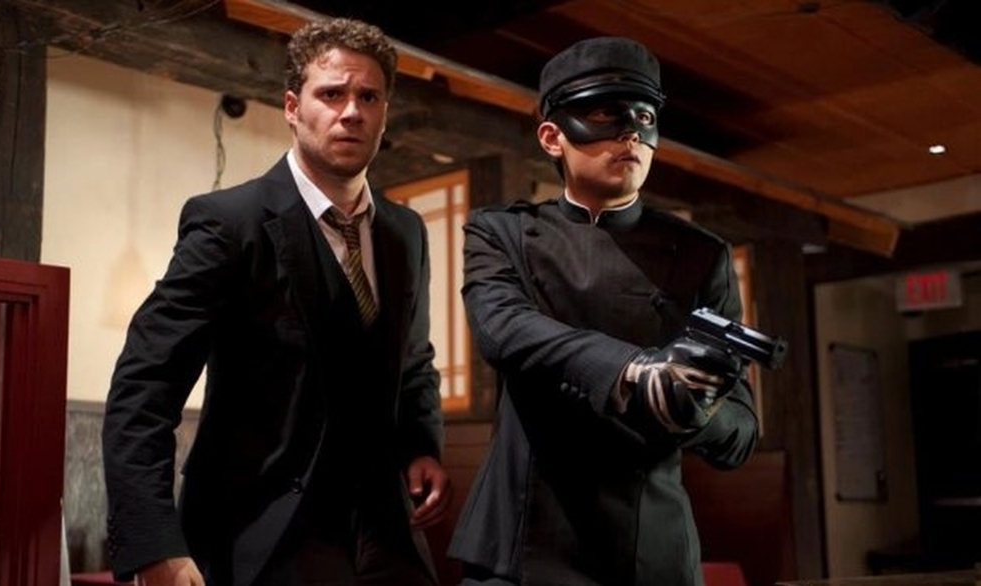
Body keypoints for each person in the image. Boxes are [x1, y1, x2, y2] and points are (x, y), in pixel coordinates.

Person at [102, 17, 452, 586]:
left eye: (368, 97)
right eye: (331, 94)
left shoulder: (404, 231)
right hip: (262, 531)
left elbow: (412, 360)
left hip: (386, 532)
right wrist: (153, 544)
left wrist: (423, 447)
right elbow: (146, 383)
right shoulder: (229, 222)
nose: (351, 112)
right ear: (292, 107)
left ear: (385, 113)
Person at [447, 36, 761, 586]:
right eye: (603, 115)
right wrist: (636, 371)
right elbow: (505, 331)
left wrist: (694, 408)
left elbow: (741, 434)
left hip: (649, 547)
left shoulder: (701, 254)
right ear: (552, 136)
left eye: (645, 117)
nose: (630, 133)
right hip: (522, 540)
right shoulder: (501, 232)